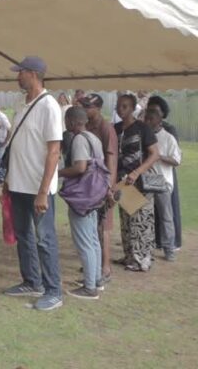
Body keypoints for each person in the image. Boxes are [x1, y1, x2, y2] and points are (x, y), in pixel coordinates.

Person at [3, 56, 63, 311]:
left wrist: (42, 192)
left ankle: (54, 291)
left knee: (45, 239)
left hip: (39, 188)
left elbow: (53, 152)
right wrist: (8, 179)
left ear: (34, 74)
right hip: (17, 184)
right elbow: (16, 145)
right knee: (24, 235)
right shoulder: (20, 103)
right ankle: (31, 281)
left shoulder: (49, 106)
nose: (17, 77)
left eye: (21, 73)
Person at [60, 106, 106, 300]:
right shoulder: (93, 138)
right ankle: (95, 280)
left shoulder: (79, 139)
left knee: (84, 242)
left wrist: (58, 173)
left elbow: (80, 168)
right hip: (95, 193)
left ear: (71, 121)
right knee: (93, 240)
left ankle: (89, 288)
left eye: (66, 120)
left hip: (82, 195)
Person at [114, 93, 159, 272]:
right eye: (119, 105)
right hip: (122, 182)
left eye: (125, 106)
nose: (121, 109)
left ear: (133, 108)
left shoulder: (142, 128)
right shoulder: (115, 128)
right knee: (126, 221)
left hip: (140, 182)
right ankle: (130, 256)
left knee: (142, 221)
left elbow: (155, 154)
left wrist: (137, 172)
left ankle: (143, 259)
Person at [80, 94, 118, 283]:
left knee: (104, 226)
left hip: (102, 183)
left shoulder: (106, 128)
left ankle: (105, 267)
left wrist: (109, 186)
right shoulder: (87, 126)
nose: (86, 109)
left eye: (88, 106)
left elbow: (110, 157)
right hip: (89, 183)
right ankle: (93, 264)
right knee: (92, 225)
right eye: (84, 106)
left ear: (98, 108)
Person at [143, 106, 180, 262]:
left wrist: (159, 157)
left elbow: (176, 160)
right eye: (147, 119)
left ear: (159, 120)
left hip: (162, 180)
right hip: (146, 179)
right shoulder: (144, 136)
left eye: (151, 119)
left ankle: (169, 248)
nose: (148, 121)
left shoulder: (168, 138)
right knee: (145, 215)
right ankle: (146, 246)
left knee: (166, 216)